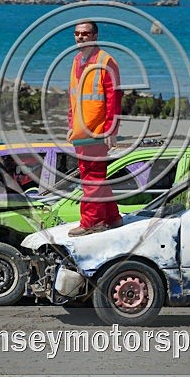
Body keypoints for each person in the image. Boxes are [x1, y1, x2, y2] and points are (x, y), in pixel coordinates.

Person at [67, 20, 123, 236]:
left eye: (85, 33)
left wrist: (111, 129)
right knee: (95, 177)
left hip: (97, 131)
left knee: (92, 179)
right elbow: (73, 96)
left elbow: (114, 98)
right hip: (81, 131)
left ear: (95, 36)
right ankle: (111, 216)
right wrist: (71, 124)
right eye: (77, 33)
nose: (80, 37)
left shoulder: (105, 61)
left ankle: (92, 222)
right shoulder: (76, 61)